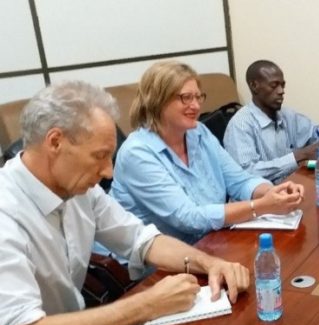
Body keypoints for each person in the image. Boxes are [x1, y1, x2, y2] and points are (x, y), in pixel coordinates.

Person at [0, 80, 250, 325]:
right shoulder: (6, 212)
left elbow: (143, 240)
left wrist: (211, 263)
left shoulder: (80, 189)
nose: (109, 172)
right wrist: (146, 305)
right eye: (99, 156)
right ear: (55, 142)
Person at [111, 61, 304, 244]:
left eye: (198, 97)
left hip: (211, 241)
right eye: (186, 98)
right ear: (157, 100)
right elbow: (188, 218)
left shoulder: (198, 132)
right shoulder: (137, 153)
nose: (195, 106)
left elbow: (239, 180)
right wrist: (261, 206)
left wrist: (274, 192)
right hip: (154, 263)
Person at [224, 59, 319, 183]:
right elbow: (246, 174)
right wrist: (299, 155)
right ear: (254, 86)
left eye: (283, 85)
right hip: (258, 204)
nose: (281, 91)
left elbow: (316, 131)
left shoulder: (286, 115)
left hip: (289, 190)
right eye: (274, 86)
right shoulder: (241, 125)